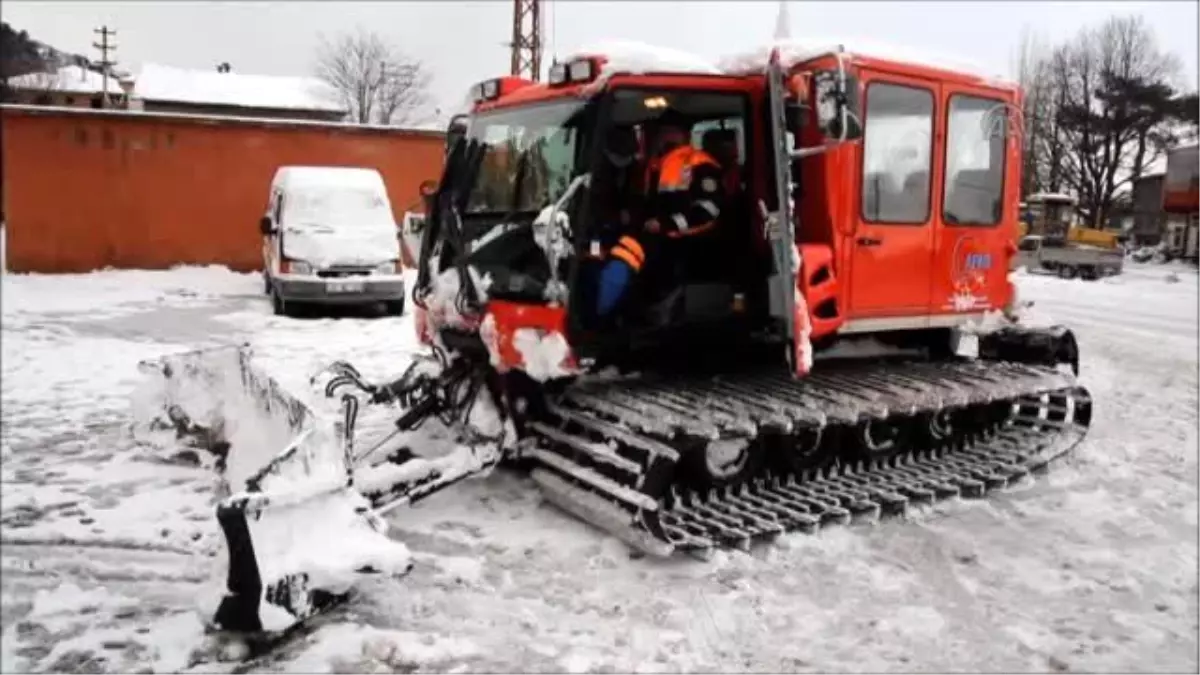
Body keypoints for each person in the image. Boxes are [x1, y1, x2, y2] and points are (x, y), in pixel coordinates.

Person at [596, 110, 726, 319]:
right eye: (661, 132)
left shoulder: (699, 163)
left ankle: (602, 315)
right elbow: (651, 203)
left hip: (691, 244)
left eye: (668, 132)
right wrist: (629, 216)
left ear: (682, 133)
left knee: (627, 251)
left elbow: (708, 211)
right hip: (660, 240)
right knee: (603, 248)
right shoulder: (655, 164)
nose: (662, 136)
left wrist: (665, 224)